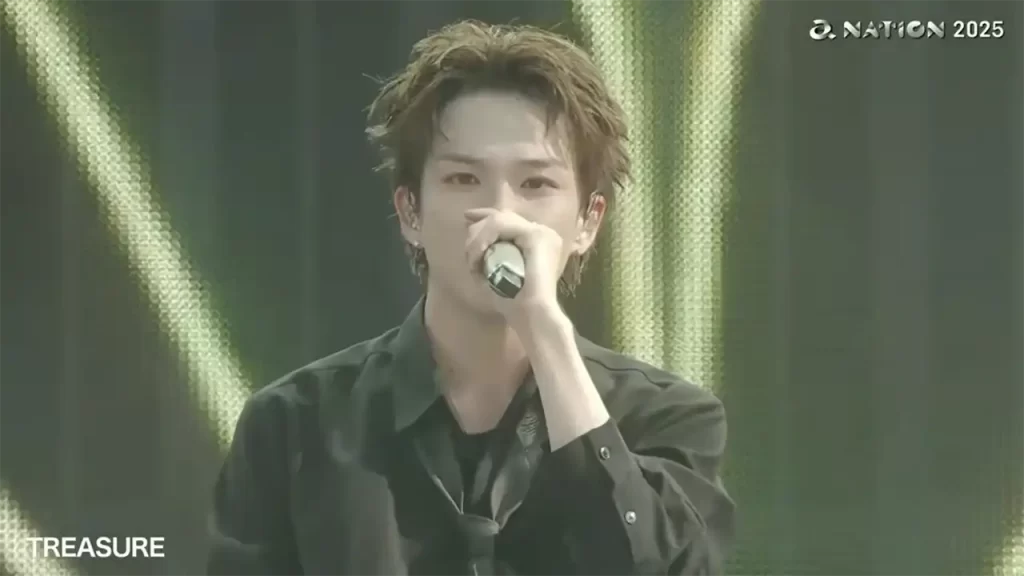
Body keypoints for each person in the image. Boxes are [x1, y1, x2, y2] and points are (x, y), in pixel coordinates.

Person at [206, 20, 734, 576]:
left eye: (536, 184)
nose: (501, 215)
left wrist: (543, 329)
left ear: (587, 222)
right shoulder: (294, 427)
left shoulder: (668, 420)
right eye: (463, 180)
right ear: (410, 212)